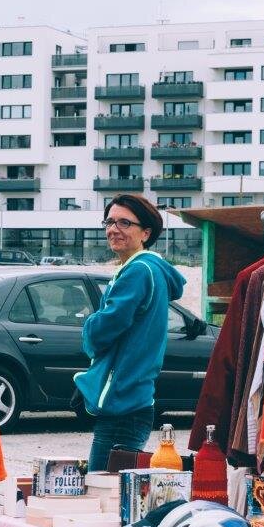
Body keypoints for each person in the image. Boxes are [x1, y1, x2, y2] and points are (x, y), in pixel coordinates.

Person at [73, 193, 185, 472]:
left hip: (123, 403)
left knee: (104, 491)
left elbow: (101, 332)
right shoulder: (149, 269)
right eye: (109, 222)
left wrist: (88, 325)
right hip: (134, 398)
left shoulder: (138, 271)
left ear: (145, 232)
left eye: (124, 223)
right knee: (119, 491)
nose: (113, 229)